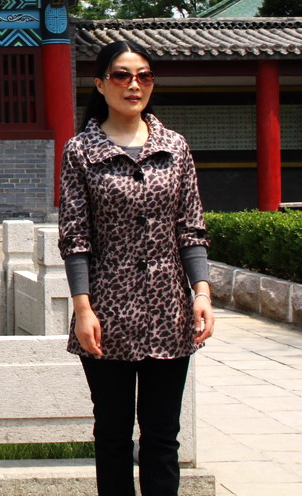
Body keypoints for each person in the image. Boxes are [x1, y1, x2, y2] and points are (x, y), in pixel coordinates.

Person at [58, 40, 216, 496]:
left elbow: (191, 229)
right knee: (112, 434)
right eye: (123, 75)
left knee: (163, 436)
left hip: (169, 310)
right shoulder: (80, 151)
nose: (134, 85)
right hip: (107, 312)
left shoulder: (175, 147)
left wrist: (201, 294)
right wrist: (83, 309)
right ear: (101, 84)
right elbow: (75, 236)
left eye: (144, 76)